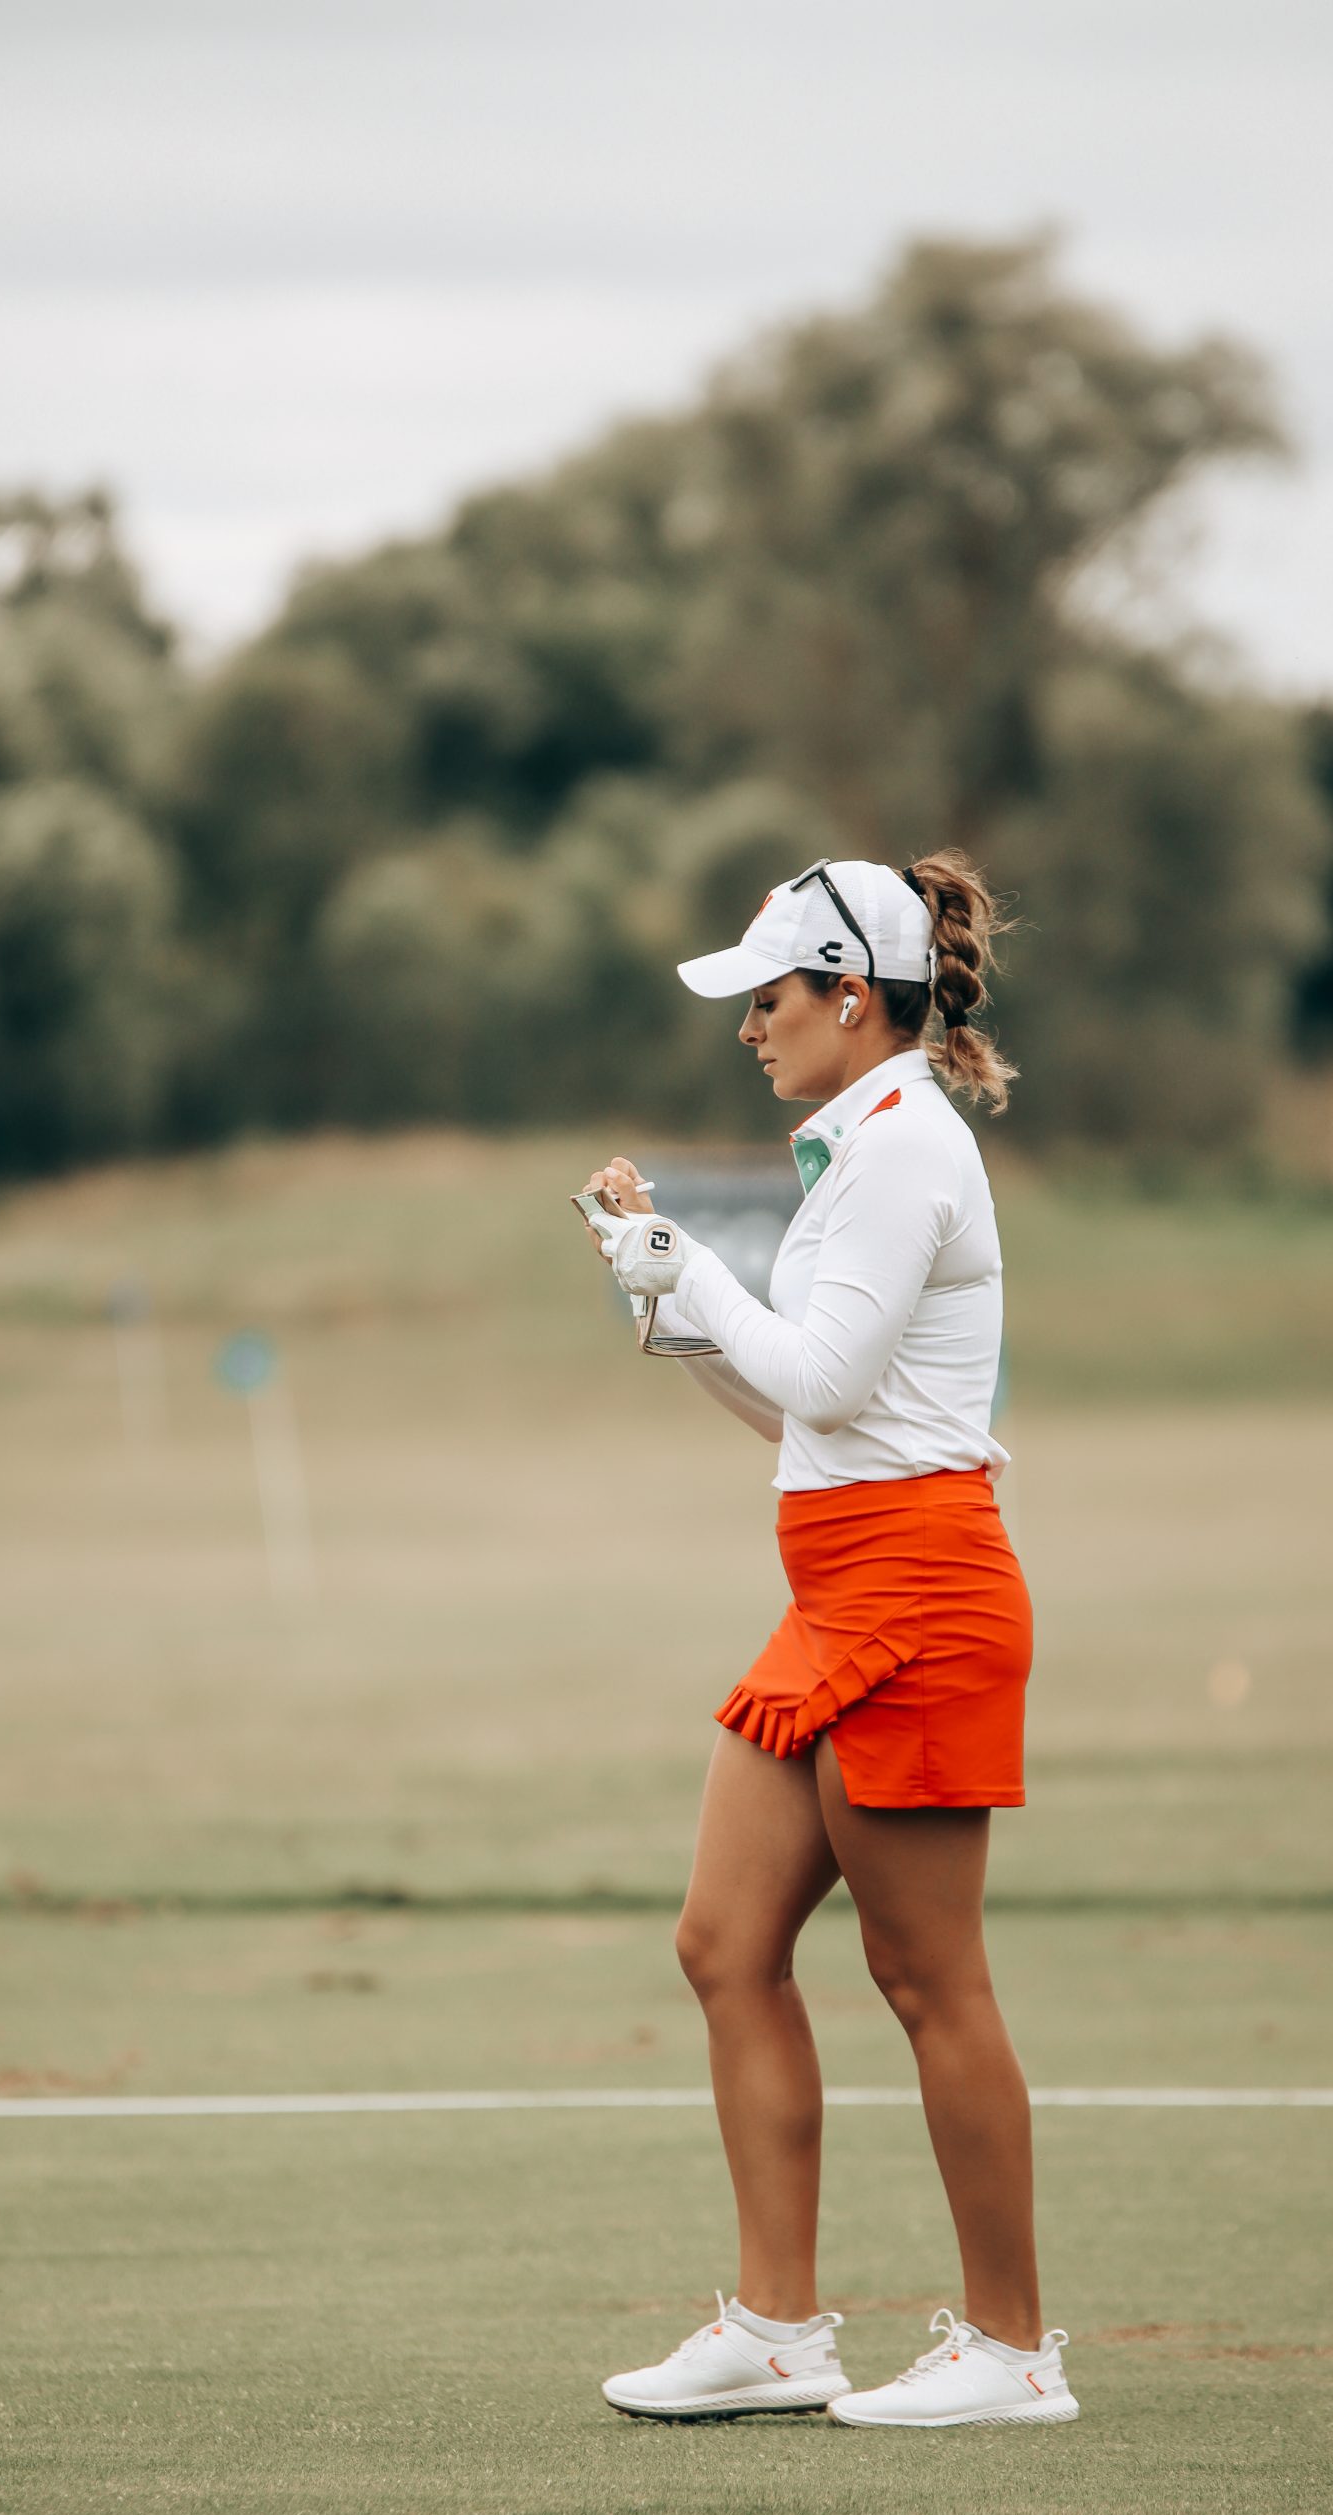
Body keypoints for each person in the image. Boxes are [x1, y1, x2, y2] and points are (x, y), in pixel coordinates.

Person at [578, 852, 1077, 2431]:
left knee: (928, 1979)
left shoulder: (904, 1143)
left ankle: (1013, 2351)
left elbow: (830, 1379)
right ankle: (780, 2332)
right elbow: (799, 1415)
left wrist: (697, 1271)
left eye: (769, 998)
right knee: (724, 1945)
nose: (750, 1027)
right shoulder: (860, 1143)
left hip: (921, 1599)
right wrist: (670, 1306)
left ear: (851, 1000)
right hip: (840, 1594)